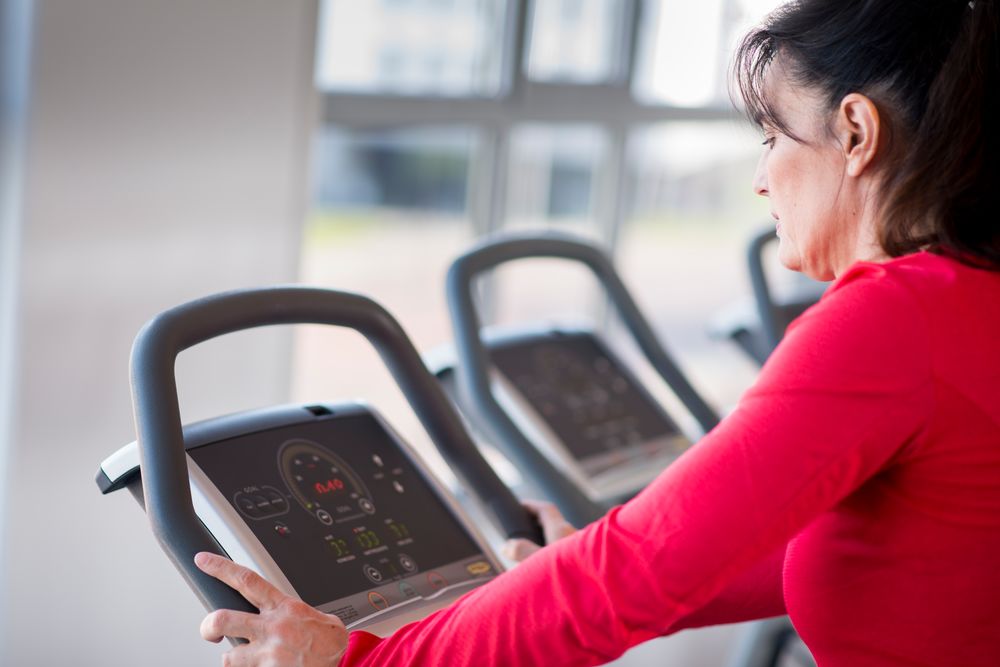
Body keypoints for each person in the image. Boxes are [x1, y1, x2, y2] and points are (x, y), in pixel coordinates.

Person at [194, 0, 1000, 664]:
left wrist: (366, 661)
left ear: (856, 133)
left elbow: (639, 568)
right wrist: (568, 561)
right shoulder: (970, 296)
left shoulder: (893, 320)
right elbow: (830, 542)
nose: (760, 179)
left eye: (772, 138)